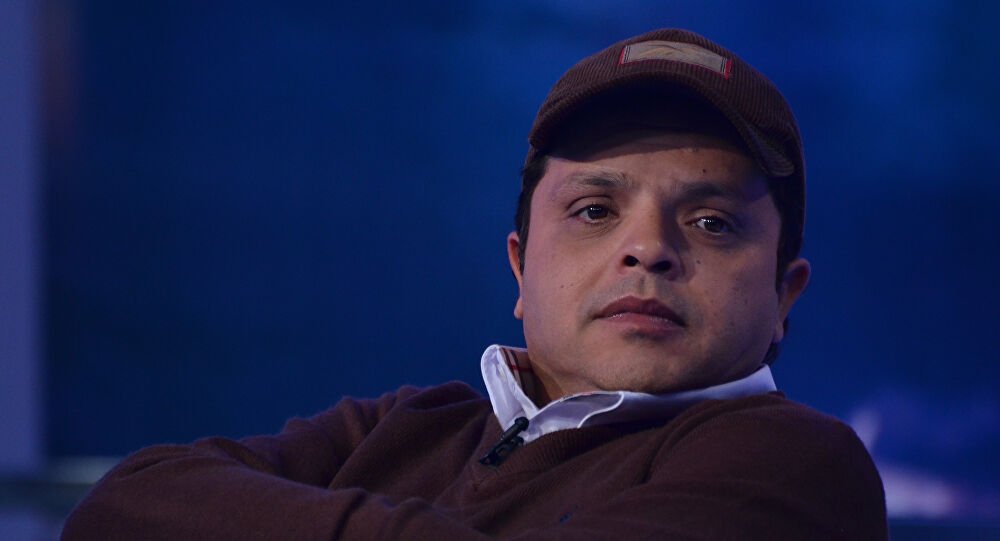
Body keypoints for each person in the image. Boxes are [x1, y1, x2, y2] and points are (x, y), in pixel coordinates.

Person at [62, 28, 887, 540]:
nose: (647, 249)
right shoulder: (404, 424)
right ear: (521, 267)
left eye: (711, 222)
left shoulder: (801, 465)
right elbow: (119, 510)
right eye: (595, 210)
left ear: (785, 294)